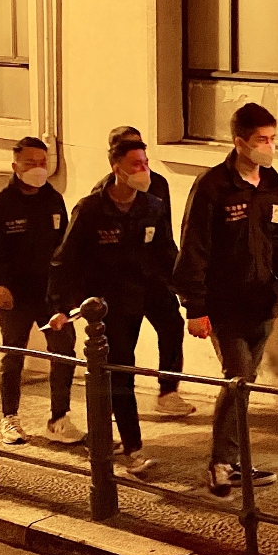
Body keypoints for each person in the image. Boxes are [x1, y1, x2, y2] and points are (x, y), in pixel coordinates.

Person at [174, 103, 278, 495]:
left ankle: (234, 460)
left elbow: (275, 238)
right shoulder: (213, 186)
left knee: (244, 382)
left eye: (273, 138)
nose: (269, 146)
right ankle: (220, 463)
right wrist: (195, 308)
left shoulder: (272, 183)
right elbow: (194, 247)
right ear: (239, 142)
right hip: (224, 305)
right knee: (239, 377)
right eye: (261, 140)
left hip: (262, 302)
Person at [48, 139, 177, 476]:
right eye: (136, 164)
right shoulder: (91, 209)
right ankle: (133, 448)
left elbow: (167, 253)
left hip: (142, 297)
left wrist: (187, 293)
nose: (144, 170)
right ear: (116, 168)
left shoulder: (152, 206)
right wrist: (60, 305)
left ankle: (104, 434)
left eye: (145, 163)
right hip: (106, 306)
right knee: (121, 372)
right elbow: (64, 259)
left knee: (119, 371)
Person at [0, 137, 83, 446]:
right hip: (14, 295)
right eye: (30, 163)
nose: (38, 168)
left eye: (42, 162)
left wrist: (68, 290)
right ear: (15, 166)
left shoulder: (54, 200)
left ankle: (59, 418)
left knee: (64, 351)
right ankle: (10, 417)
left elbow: (64, 248)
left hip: (51, 295)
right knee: (14, 354)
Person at [94, 127, 193, 418]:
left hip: (155, 278)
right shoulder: (100, 195)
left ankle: (168, 391)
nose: (141, 167)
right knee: (124, 345)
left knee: (172, 327)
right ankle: (120, 402)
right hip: (122, 286)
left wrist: (176, 276)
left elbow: (164, 235)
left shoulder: (158, 185)